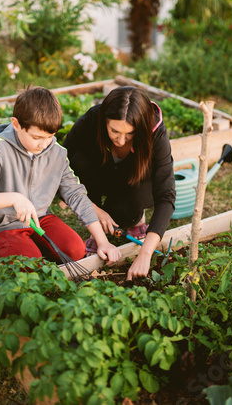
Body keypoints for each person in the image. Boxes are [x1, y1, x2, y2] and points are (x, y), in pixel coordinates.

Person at [0, 86, 121, 266]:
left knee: (76, 250)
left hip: (40, 219)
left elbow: (76, 195)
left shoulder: (57, 153)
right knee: (30, 262)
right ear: (16, 124)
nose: (44, 144)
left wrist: (102, 241)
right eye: (36, 137)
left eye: (50, 136)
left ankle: (32, 249)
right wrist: (14, 198)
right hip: (1, 226)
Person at [63, 86, 176, 280]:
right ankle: (95, 223)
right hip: (102, 177)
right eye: (114, 130)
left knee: (123, 213)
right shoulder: (93, 118)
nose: (121, 140)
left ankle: (134, 217)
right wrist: (94, 210)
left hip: (137, 183)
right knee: (80, 159)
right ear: (104, 120)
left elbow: (166, 194)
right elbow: (58, 164)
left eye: (130, 133)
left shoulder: (155, 132)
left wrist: (146, 254)